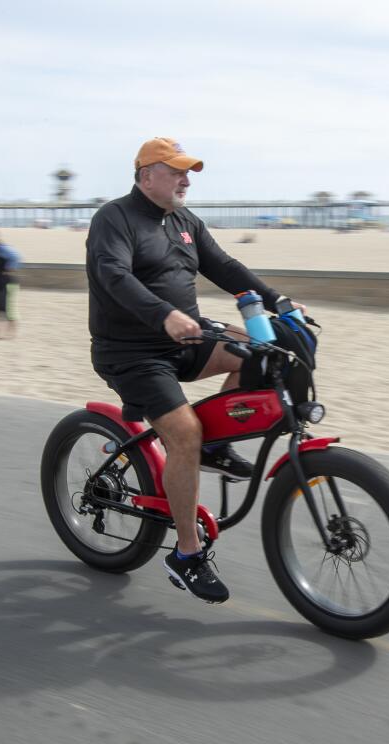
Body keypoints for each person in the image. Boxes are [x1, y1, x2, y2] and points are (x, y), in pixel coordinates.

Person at [86, 137, 304, 604]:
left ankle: (214, 445)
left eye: (189, 173)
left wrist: (277, 301)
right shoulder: (115, 218)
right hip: (132, 350)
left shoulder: (185, 221)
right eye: (177, 171)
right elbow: (114, 275)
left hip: (186, 338)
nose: (187, 180)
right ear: (147, 175)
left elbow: (224, 266)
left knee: (263, 352)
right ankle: (186, 554)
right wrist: (162, 314)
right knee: (184, 433)